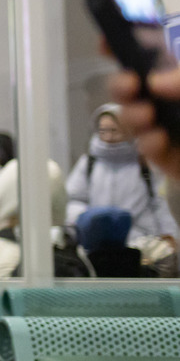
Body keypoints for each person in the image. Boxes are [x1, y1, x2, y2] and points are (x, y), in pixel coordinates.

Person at [64, 104, 179, 270]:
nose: (108, 137)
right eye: (103, 131)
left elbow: (160, 203)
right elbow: (74, 198)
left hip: (142, 244)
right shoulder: (89, 163)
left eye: (114, 130)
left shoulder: (144, 163)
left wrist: (169, 235)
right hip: (96, 246)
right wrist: (84, 222)